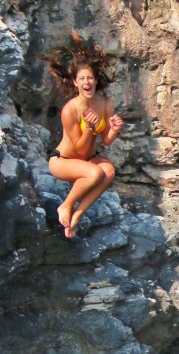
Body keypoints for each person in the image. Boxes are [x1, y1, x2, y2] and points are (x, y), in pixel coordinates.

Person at [42, 32, 124, 239]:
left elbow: (105, 141)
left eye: (90, 78)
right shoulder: (71, 109)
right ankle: (66, 206)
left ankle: (77, 215)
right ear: (75, 83)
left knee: (108, 171)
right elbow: (80, 147)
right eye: (82, 79)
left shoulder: (105, 103)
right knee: (95, 174)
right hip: (64, 161)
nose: (87, 82)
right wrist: (88, 129)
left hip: (88, 158)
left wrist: (113, 129)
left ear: (95, 80)